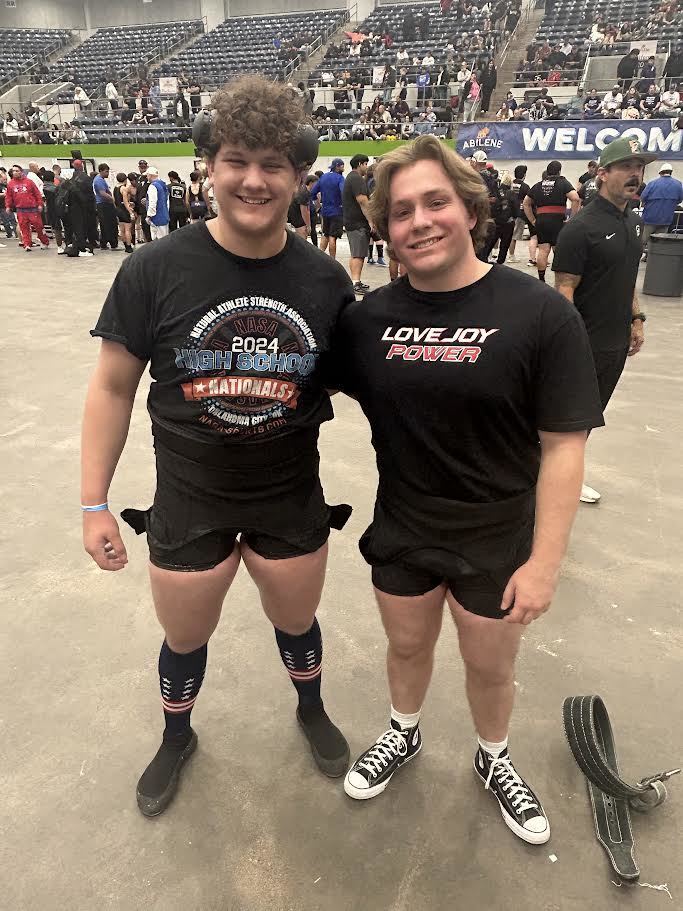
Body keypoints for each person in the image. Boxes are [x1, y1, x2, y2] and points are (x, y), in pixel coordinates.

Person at [82, 74, 354, 819]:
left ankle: (310, 708)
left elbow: (377, 386)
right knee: (185, 632)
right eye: (237, 159)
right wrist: (93, 504)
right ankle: (177, 734)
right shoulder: (154, 268)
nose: (254, 179)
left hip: (287, 493)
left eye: (273, 164)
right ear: (210, 166)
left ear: (299, 176)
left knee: (296, 621)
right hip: (189, 495)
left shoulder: (326, 279)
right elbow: (111, 388)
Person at [331, 136, 603, 846]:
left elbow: (564, 445)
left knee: (489, 666)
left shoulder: (539, 313)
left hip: (497, 537)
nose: (417, 221)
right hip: (403, 529)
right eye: (399, 212)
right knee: (406, 647)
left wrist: (544, 563)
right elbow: (294, 388)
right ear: (383, 227)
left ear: (470, 208)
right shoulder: (364, 322)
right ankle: (403, 732)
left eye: (434, 202)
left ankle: (493, 757)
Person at [553, 137, 655, 504]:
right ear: (603, 173)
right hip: (585, 343)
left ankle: (567, 473)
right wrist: (568, 345)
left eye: (639, 168)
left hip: (616, 341)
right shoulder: (581, 228)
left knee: (591, 416)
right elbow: (564, 290)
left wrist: (637, 318)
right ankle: (552, 477)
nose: (635, 174)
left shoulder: (631, 221)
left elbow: (626, 277)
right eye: (626, 167)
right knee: (568, 419)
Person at [523, 161, 580, 282]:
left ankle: (541, 279)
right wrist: (572, 219)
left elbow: (526, 203)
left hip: (541, 220)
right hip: (557, 220)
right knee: (558, 251)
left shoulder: (538, 185)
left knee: (543, 250)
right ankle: (559, 280)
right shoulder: (562, 183)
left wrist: (532, 219)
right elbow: (575, 198)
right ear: (559, 171)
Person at [342, 154, 372, 295]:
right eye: (366, 164)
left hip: (353, 221)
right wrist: (371, 221)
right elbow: (363, 201)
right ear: (360, 164)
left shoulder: (351, 177)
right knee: (358, 254)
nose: (367, 167)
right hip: (357, 223)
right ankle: (355, 283)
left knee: (357, 253)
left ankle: (356, 281)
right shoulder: (356, 179)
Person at [639, 163, 683, 258]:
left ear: (660, 172)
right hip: (666, 220)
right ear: (671, 172)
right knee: (659, 242)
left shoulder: (653, 183)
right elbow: (680, 199)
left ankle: (637, 258)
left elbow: (643, 197)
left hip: (649, 219)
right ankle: (653, 260)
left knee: (642, 241)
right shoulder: (678, 185)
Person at [5, 164, 49, 251]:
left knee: (39, 227)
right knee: (24, 228)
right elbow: (8, 196)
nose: (15, 173)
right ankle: (27, 244)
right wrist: (8, 206)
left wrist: (40, 204)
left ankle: (44, 241)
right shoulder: (10, 184)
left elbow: (37, 194)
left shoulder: (29, 182)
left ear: (21, 172)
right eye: (13, 171)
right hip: (21, 210)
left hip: (32, 209)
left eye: (17, 171)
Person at [310, 158, 345, 260]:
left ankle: (320, 257)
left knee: (325, 234)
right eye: (342, 166)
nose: (343, 167)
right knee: (333, 237)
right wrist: (344, 204)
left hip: (325, 211)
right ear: (337, 166)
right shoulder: (340, 178)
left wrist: (317, 204)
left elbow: (312, 193)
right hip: (337, 211)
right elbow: (343, 192)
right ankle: (332, 260)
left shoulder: (323, 177)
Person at [66, 159, 99, 257]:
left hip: (73, 207)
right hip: (84, 207)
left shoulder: (70, 179)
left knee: (77, 228)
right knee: (84, 227)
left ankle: (79, 245)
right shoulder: (86, 178)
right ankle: (82, 247)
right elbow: (90, 195)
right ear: (82, 166)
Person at [507, 164, 531, 263]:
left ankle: (507, 254)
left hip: (508, 212)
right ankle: (511, 256)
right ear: (524, 175)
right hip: (519, 213)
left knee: (509, 234)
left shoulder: (510, 185)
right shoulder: (525, 187)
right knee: (514, 236)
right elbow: (528, 201)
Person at [93, 162, 119, 251]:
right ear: (101, 171)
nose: (107, 173)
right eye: (106, 171)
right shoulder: (99, 180)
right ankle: (112, 243)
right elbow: (102, 193)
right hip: (104, 205)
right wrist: (112, 200)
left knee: (104, 225)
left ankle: (104, 243)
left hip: (103, 204)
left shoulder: (100, 179)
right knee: (110, 224)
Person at [42, 170, 65, 253]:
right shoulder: (55, 189)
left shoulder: (43, 188)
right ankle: (64, 244)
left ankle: (59, 246)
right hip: (59, 209)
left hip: (49, 210)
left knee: (56, 228)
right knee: (61, 227)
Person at [145, 165, 170, 240]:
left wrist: (149, 216)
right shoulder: (163, 185)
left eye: (147, 175)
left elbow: (153, 202)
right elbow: (167, 201)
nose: (146, 177)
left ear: (150, 175)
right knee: (164, 239)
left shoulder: (153, 186)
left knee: (157, 241)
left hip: (157, 218)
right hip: (164, 216)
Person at [114, 172, 134, 253]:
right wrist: (130, 212)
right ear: (125, 179)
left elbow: (114, 200)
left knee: (122, 229)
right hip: (124, 210)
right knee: (127, 229)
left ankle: (125, 245)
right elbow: (125, 202)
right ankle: (129, 247)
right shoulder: (124, 189)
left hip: (118, 209)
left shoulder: (115, 188)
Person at [0, 167, 19, 240]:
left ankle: (17, 234)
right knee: (6, 221)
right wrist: (5, 194)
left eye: (6, 179)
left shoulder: (6, 185)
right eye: (4, 179)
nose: (5, 180)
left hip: (7, 205)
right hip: (2, 206)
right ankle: (9, 234)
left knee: (12, 220)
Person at [136, 160, 152, 243]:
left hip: (148, 207)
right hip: (141, 207)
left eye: (144, 167)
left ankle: (150, 241)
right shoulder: (139, 178)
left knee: (148, 226)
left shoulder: (149, 179)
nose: (143, 169)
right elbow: (138, 192)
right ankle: (147, 241)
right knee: (144, 226)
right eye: (141, 167)